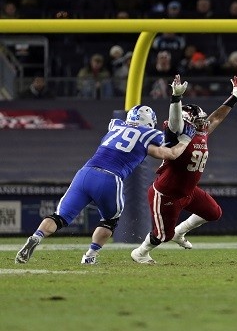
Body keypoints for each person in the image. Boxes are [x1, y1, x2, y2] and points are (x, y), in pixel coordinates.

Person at [15, 105, 194, 264]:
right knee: (109, 221)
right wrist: (185, 139)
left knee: (59, 217)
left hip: (85, 173)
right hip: (110, 178)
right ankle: (90, 255)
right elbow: (170, 154)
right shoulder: (149, 135)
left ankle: (36, 237)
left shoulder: (115, 126)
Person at [130, 74, 237, 264]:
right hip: (166, 193)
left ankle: (180, 232)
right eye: (197, 120)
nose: (202, 123)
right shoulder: (175, 135)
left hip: (188, 191)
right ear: (187, 121)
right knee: (161, 236)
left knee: (213, 213)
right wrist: (176, 98)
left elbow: (215, 118)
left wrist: (234, 97)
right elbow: (175, 122)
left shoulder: (199, 132)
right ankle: (140, 253)